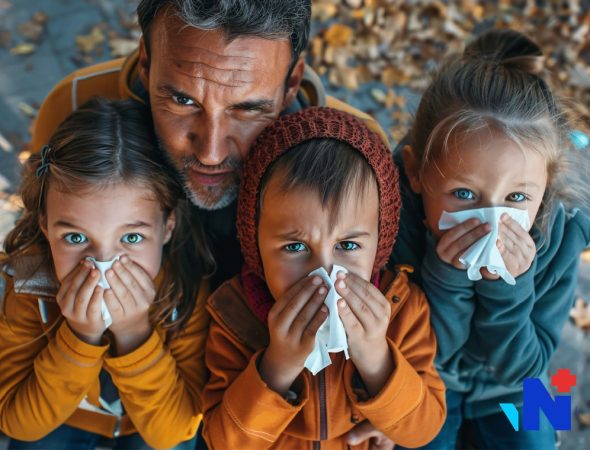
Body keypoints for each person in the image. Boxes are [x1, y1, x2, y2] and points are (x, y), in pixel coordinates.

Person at [28, 1, 394, 445]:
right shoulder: (71, 106)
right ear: (146, 62)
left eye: (246, 109)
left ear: (292, 80)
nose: (211, 152)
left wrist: (384, 402)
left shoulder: (356, 157)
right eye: (182, 100)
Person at [201, 107, 447, 449]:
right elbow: (222, 441)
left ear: (380, 242)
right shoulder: (233, 317)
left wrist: (376, 359)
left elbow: (423, 429)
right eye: (295, 246)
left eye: (347, 245)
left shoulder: (401, 309)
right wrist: (276, 367)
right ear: (254, 240)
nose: (325, 273)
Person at [390, 29, 590, 449]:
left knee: (541, 436)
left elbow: (530, 369)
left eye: (517, 197)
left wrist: (507, 288)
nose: (492, 220)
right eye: (464, 194)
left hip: (520, 384)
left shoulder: (560, 236)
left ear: (545, 188)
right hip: (426, 379)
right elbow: (425, 354)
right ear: (416, 172)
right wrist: (446, 279)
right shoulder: (395, 220)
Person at [0, 98, 212, 449]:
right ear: (45, 225)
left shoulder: (185, 288)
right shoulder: (28, 284)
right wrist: (80, 338)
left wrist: (134, 333)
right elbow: (16, 422)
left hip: (147, 424)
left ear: (167, 227)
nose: (103, 263)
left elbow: (175, 433)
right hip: (60, 416)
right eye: (76, 237)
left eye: (131, 237)